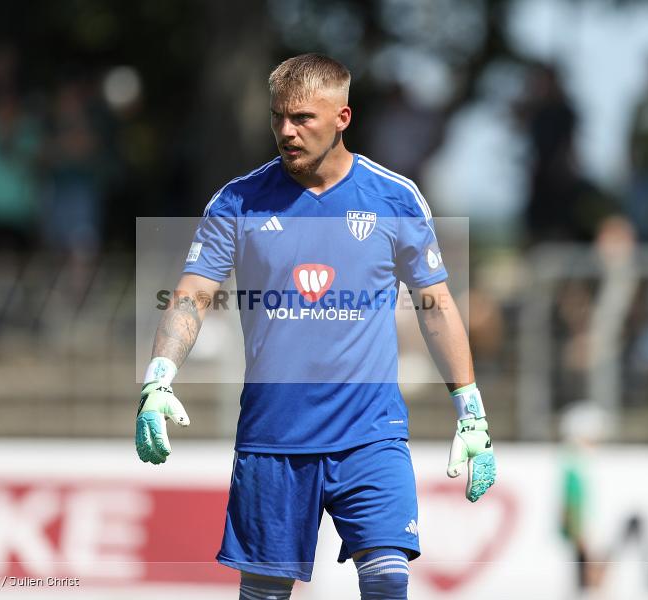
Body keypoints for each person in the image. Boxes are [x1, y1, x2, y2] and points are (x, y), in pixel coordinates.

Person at [135, 53, 496, 600]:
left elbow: (436, 304)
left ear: (342, 118)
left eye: (303, 118)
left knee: (387, 581)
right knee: (264, 593)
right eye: (278, 116)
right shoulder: (238, 201)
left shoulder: (394, 198)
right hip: (273, 437)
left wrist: (472, 412)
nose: (286, 131)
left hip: (370, 435)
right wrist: (158, 379)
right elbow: (191, 295)